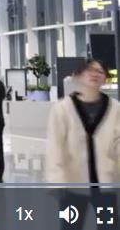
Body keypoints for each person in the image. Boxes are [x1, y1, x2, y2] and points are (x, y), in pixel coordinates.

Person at [46, 59, 120, 188]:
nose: (95, 74)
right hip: (73, 185)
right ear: (79, 75)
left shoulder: (115, 108)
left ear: (105, 78)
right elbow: (55, 148)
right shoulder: (63, 109)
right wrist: (57, 184)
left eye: (100, 71)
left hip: (107, 183)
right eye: (90, 70)